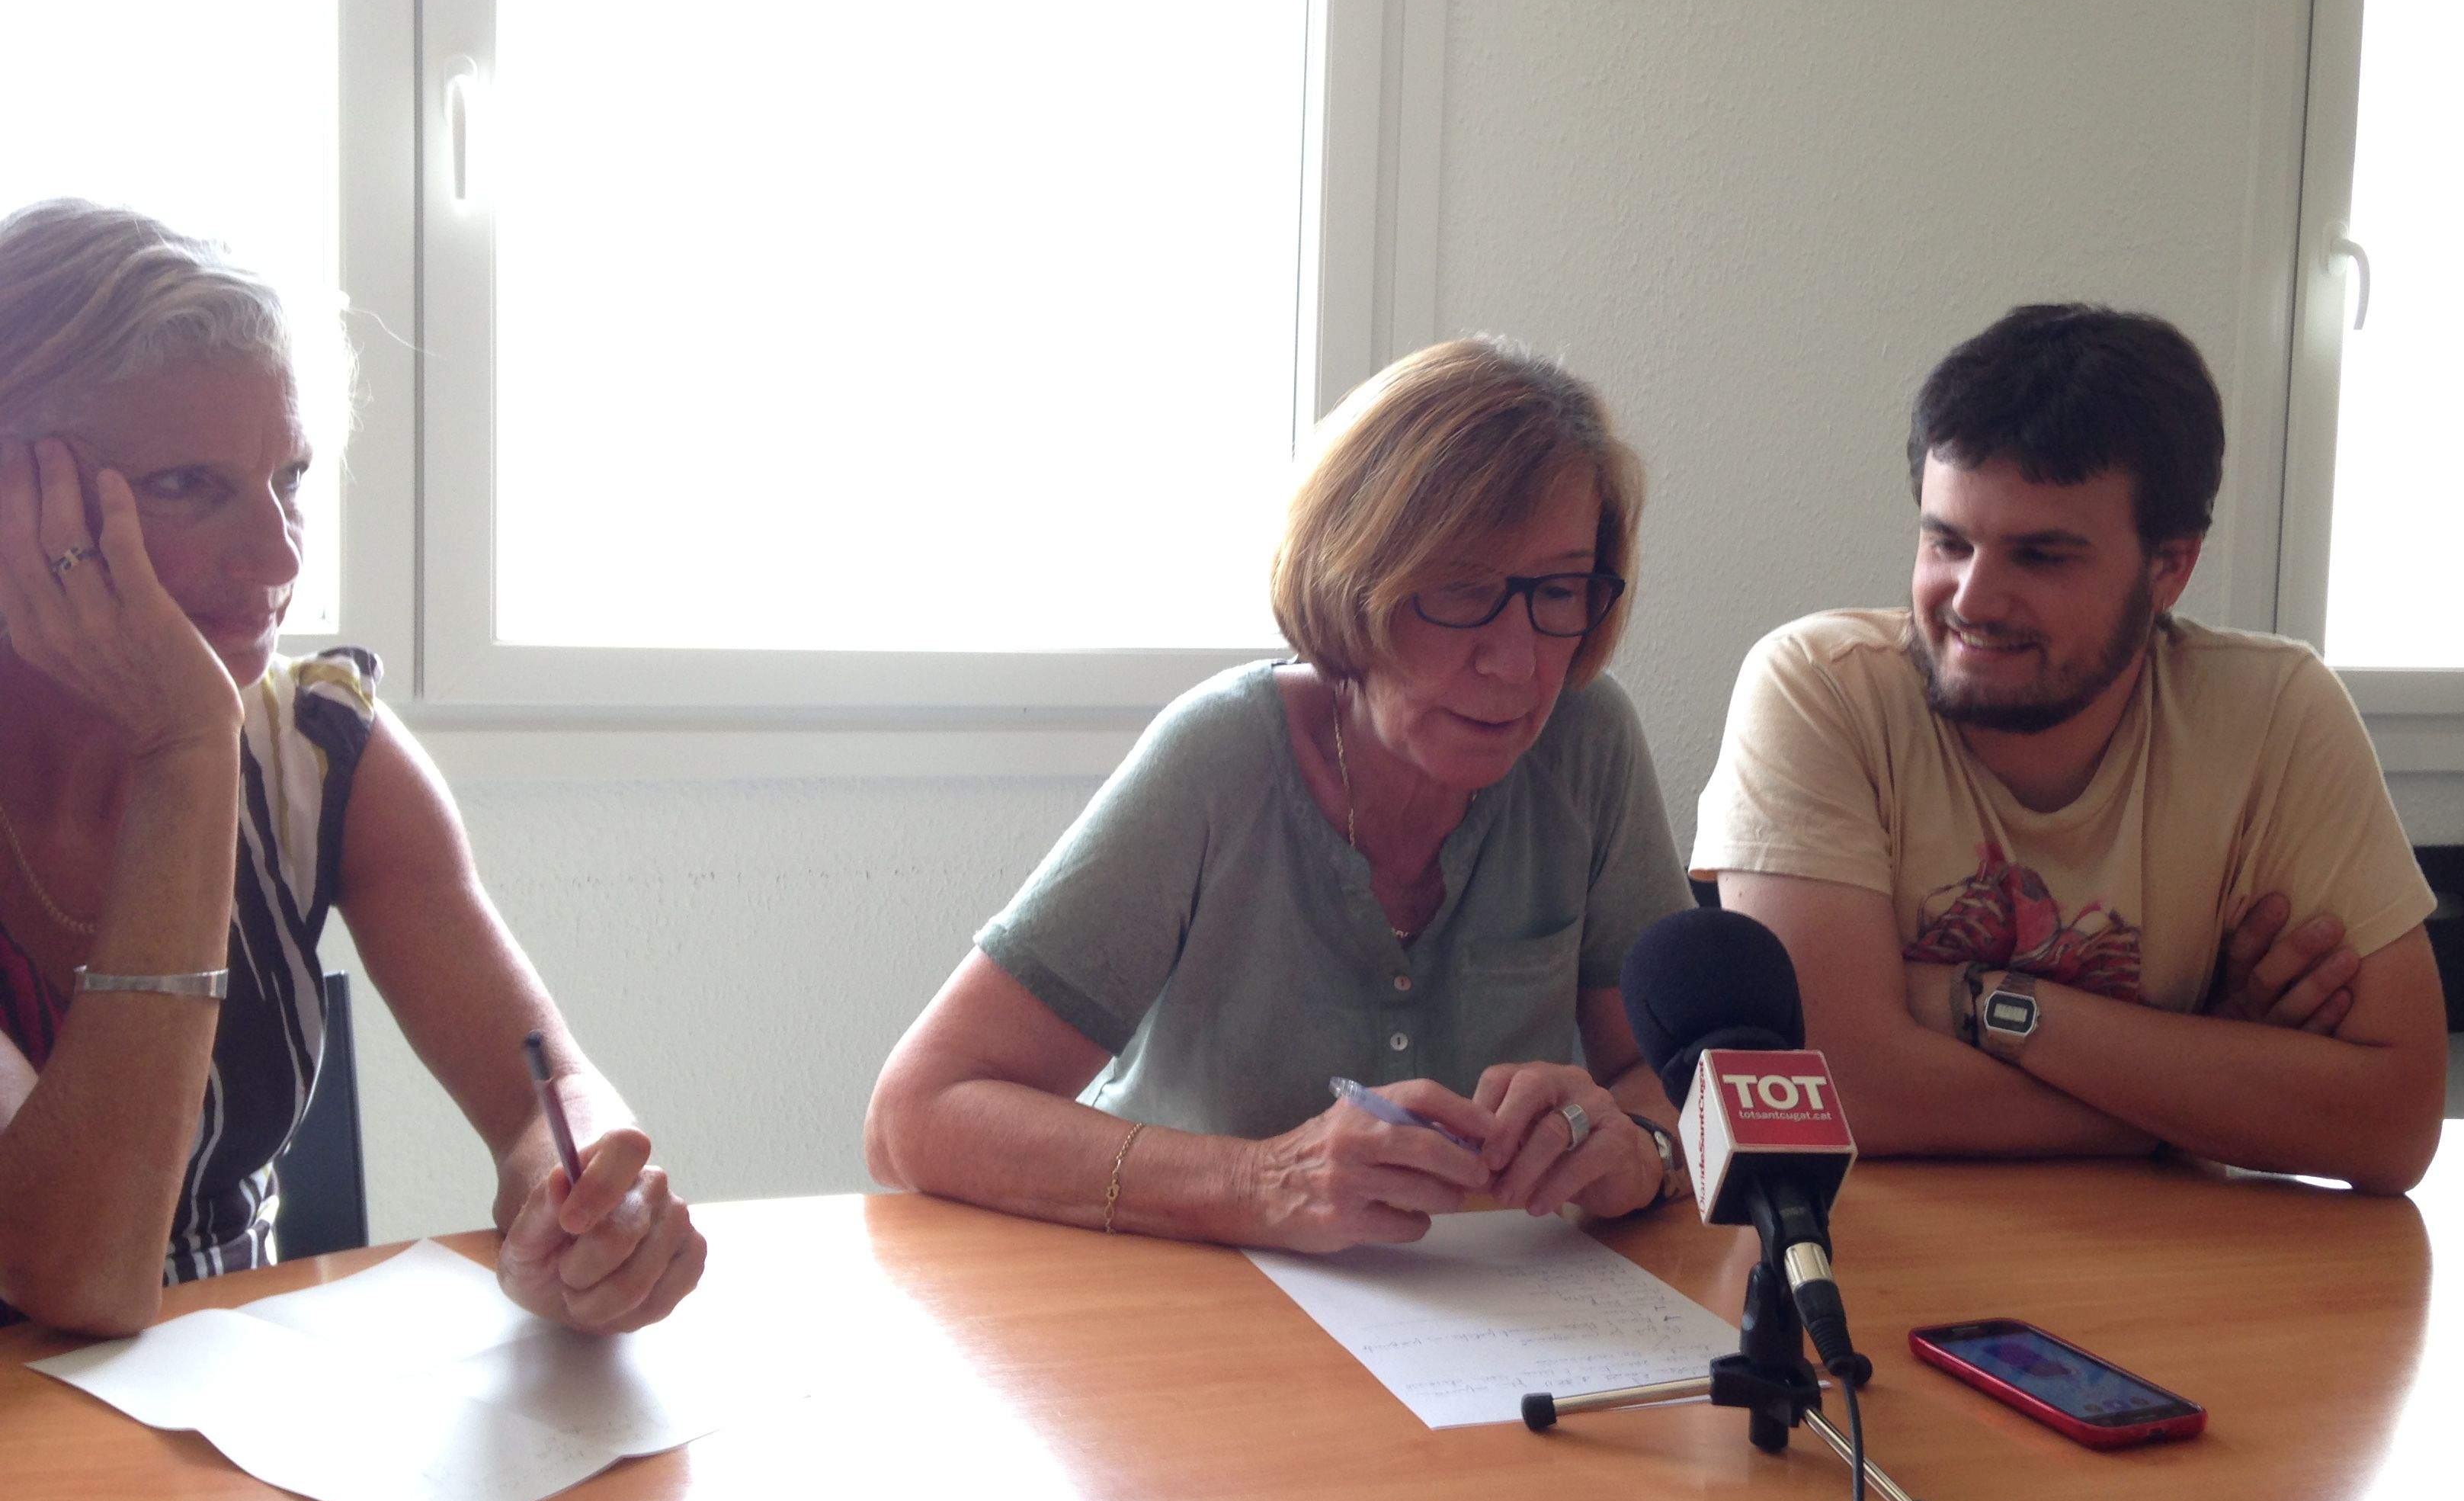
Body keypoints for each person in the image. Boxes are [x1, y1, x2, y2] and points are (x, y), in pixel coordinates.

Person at [0, 199, 705, 1333]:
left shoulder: (325, 750)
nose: (277, 555)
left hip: (228, 1440)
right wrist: (186, 754)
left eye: (288, 478)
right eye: (190, 484)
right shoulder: (214, 738)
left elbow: (544, 1094)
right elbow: (75, 1273)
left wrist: (581, 1208)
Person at [867, 337, 1694, 1250]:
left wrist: (1645, 1148)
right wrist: (1256, 1183)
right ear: (1356, 579)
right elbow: (916, 1115)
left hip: (1486, 1327)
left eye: (1560, 590)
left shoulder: (1587, 740)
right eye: (1461, 591)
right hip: (1181, 1294)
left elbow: (1666, 1073)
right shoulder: (1222, 756)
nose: (1519, 660)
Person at [1690, 303, 2445, 1194]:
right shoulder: (1822, 687)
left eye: (2041, 556)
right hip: (1880, 1260)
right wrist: (2197, 1090)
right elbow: (1840, 1087)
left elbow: (2394, 1122)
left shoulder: (2277, 711)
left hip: (2189, 1273)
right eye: (1949, 540)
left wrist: (1970, 1002)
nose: (1973, 598)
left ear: (2171, 568)